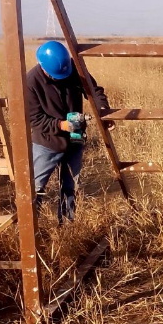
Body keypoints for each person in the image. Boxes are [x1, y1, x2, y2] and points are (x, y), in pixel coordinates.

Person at [26, 41, 111, 223]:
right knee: (35, 188)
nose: (59, 78)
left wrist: (103, 111)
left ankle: (67, 224)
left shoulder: (72, 69)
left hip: (74, 140)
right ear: (42, 66)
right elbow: (34, 119)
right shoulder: (30, 82)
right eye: (54, 75)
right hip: (46, 144)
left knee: (70, 186)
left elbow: (94, 91)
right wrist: (61, 125)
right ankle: (31, 227)